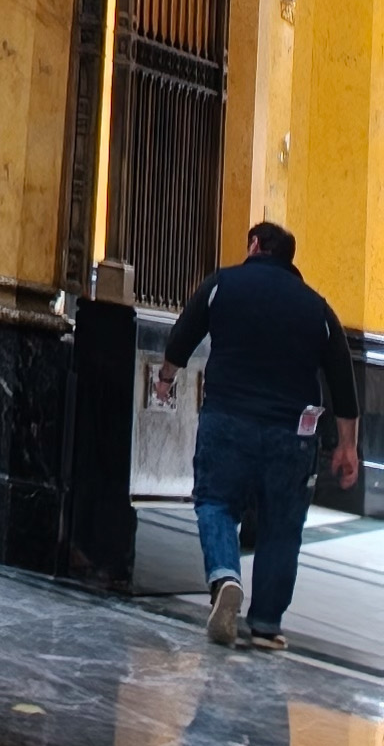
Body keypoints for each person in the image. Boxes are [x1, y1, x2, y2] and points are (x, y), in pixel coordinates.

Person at [155, 222, 362, 650]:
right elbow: (343, 380)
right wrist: (347, 446)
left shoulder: (223, 284)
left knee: (215, 502)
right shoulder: (317, 308)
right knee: (282, 524)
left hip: (228, 418)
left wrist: (166, 377)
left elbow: (184, 334)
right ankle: (267, 624)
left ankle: (225, 577)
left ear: (254, 245)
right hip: (292, 434)